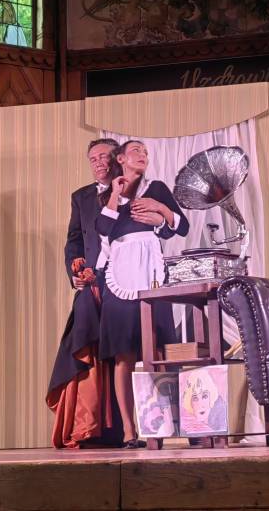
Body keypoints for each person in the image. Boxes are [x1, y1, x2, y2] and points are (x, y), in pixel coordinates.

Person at [47, 138, 166, 448]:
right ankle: (92, 427)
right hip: (95, 285)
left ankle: (151, 426)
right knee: (88, 343)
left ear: (117, 159)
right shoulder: (81, 197)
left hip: (131, 281)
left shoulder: (139, 190)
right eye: (93, 159)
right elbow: (74, 240)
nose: (98, 162)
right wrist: (75, 272)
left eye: (104, 157)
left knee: (138, 349)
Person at [96, 140, 190, 447]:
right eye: (136, 150)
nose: (143, 155)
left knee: (158, 350)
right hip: (120, 275)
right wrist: (115, 194)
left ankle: (163, 425)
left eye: (146, 152)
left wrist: (160, 210)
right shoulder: (106, 194)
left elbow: (182, 227)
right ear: (121, 159)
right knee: (123, 355)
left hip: (151, 271)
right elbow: (102, 228)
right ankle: (128, 429)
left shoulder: (157, 188)